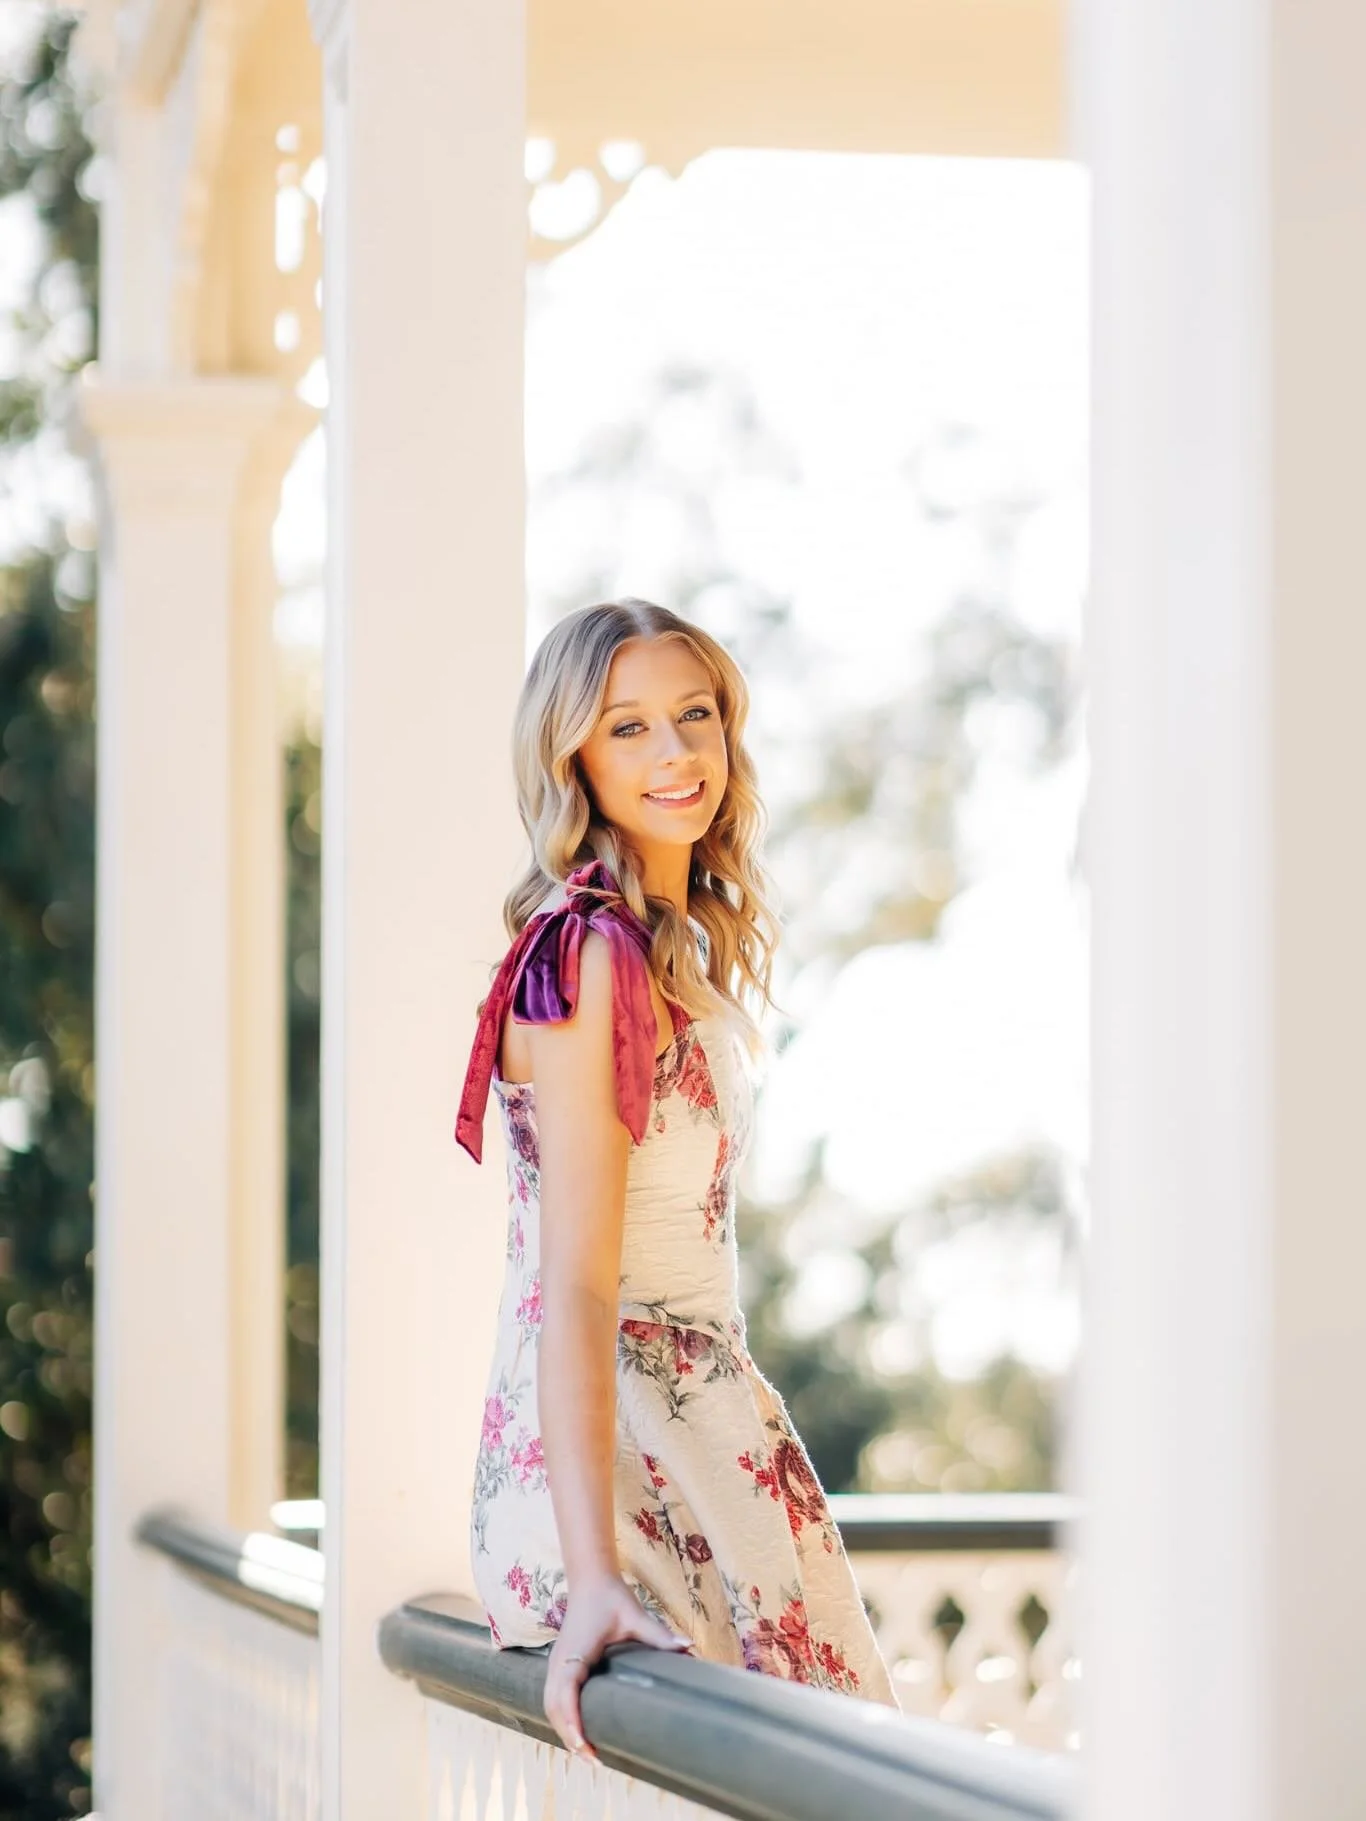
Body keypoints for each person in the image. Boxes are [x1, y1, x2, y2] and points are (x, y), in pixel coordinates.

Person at [455, 598, 899, 1758]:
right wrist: (595, 1577)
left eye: (694, 715)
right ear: (573, 759)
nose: (676, 753)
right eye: (629, 727)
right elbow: (575, 1283)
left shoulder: (656, 946)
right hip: (638, 1459)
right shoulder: (593, 953)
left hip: (697, 1425)